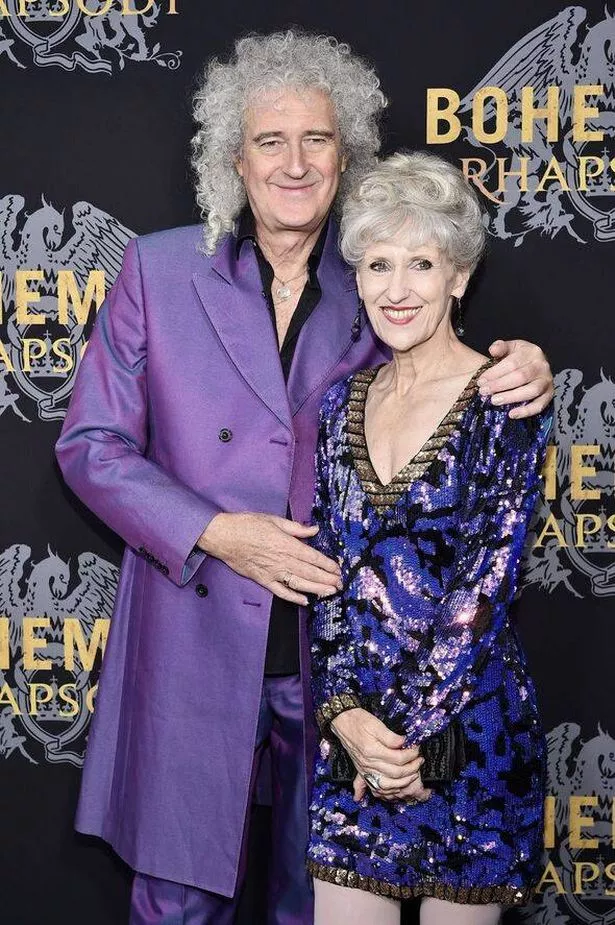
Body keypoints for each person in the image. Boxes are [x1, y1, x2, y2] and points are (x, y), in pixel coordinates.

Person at [55, 31, 554, 925]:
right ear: (233, 159)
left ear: (345, 155)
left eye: (316, 139)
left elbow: (441, 369)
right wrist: (216, 532)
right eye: (270, 141)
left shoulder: (375, 274)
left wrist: (523, 364)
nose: (294, 163)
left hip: (333, 654)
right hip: (192, 628)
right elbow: (92, 444)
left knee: (312, 901)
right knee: (175, 901)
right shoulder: (158, 269)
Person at [307, 151, 551, 925]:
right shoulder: (339, 405)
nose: (397, 288)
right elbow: (329, 575)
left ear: (459, 276)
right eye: (378, 264)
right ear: (357, 278)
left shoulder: (502, 398)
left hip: (467, 743)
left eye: (421, 263)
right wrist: (344, 716)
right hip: (355, 745)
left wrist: (403, 741)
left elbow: (482, 590)